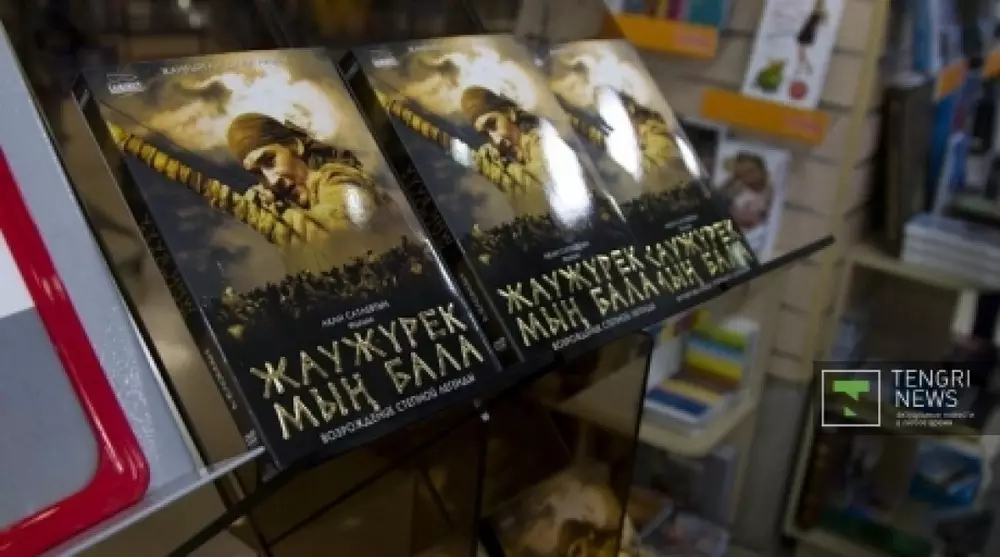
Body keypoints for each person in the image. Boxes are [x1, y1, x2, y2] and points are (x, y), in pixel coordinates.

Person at [226, 112, 396, 245]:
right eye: (258, 173)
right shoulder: (296, 206)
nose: (272, 180)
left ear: (295, 146)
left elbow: (338, 236)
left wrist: (263, 216)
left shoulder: (340, 177)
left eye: (270, 161)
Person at [795, 0, 828, 77]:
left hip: (807, 33)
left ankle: (805, 67)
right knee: (801, 52)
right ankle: (804, 67)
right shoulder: (818, 14)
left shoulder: (817, 14)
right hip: (807, 32)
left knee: (801, 52)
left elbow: (817, 23)